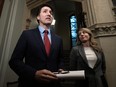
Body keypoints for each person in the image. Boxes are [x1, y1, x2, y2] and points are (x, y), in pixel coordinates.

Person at [9, 3, 64, 87]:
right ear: (38, 17)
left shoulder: (58, 39)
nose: (49, 14)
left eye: (51, 12)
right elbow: (14, 61)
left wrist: (61, 69)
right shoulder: (27, 34)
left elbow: (61, 60)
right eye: (45, 11)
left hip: (53, 83)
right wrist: (34, 74)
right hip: (30, 83)